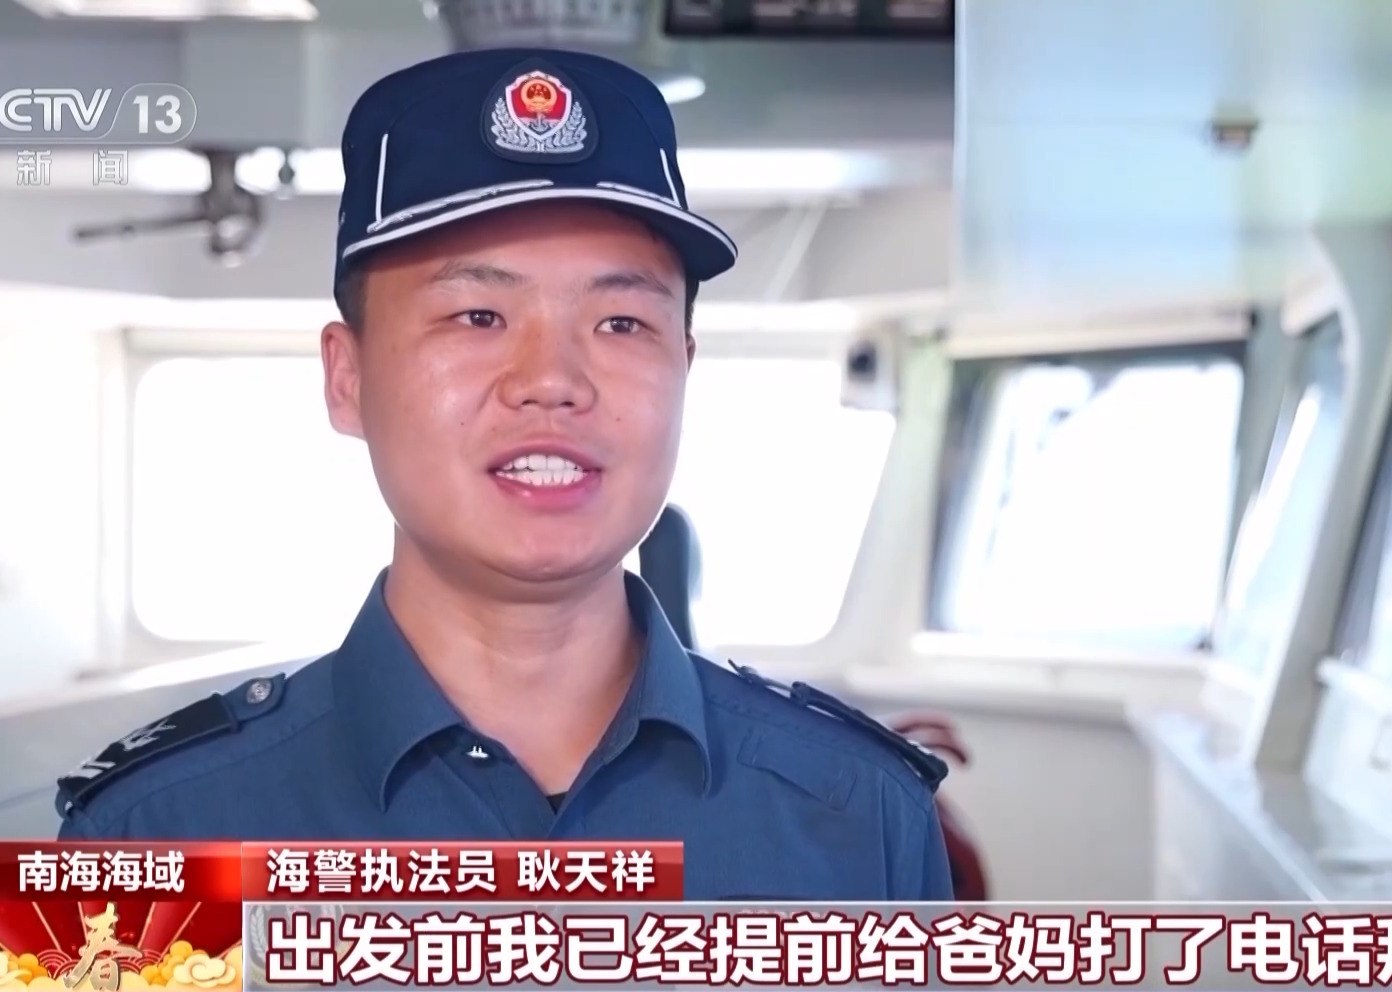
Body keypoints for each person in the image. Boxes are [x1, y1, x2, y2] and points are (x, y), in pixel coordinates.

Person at [54, 47, 955, 902]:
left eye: (621, 324)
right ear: (347, 377)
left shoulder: (863, 817)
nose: (553, 381)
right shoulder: (146, 835)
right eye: (478, 315)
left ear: (685, 368)